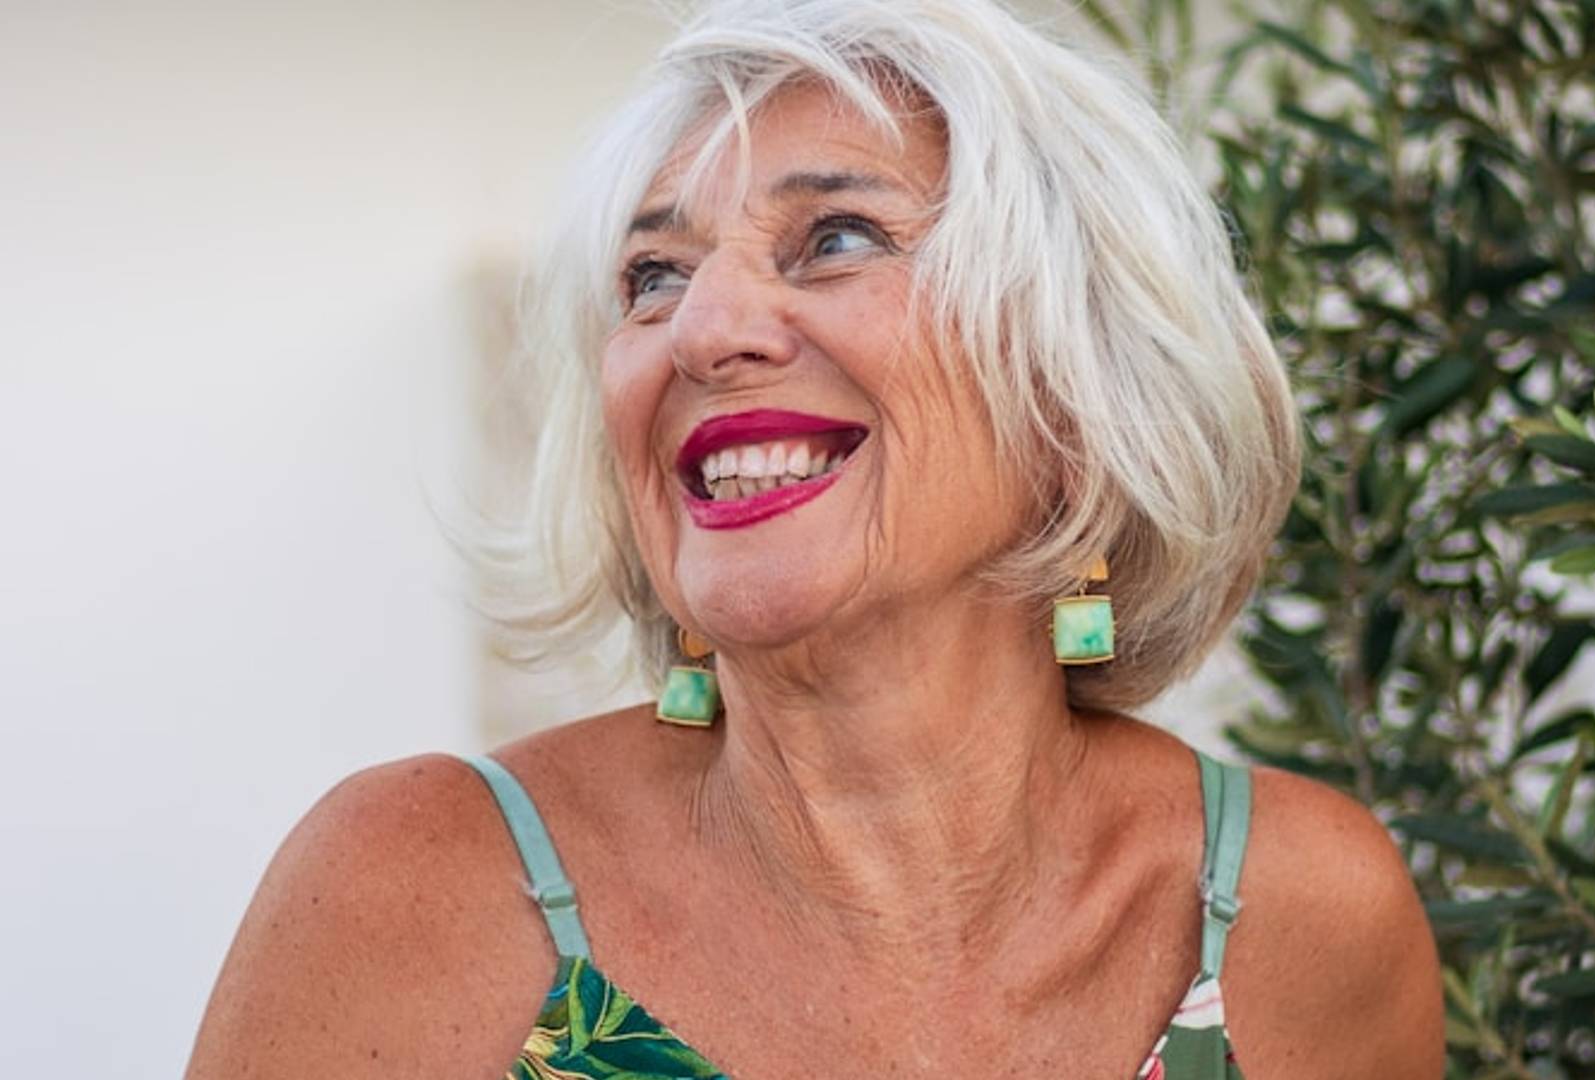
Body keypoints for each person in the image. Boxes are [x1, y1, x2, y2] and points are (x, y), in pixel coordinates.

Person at [186, 1, 1442, 1076]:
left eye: (837, 239)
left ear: (1075, 387)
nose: (702, 329)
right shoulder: (421, 895)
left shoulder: (1295, 912)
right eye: (654, 275)